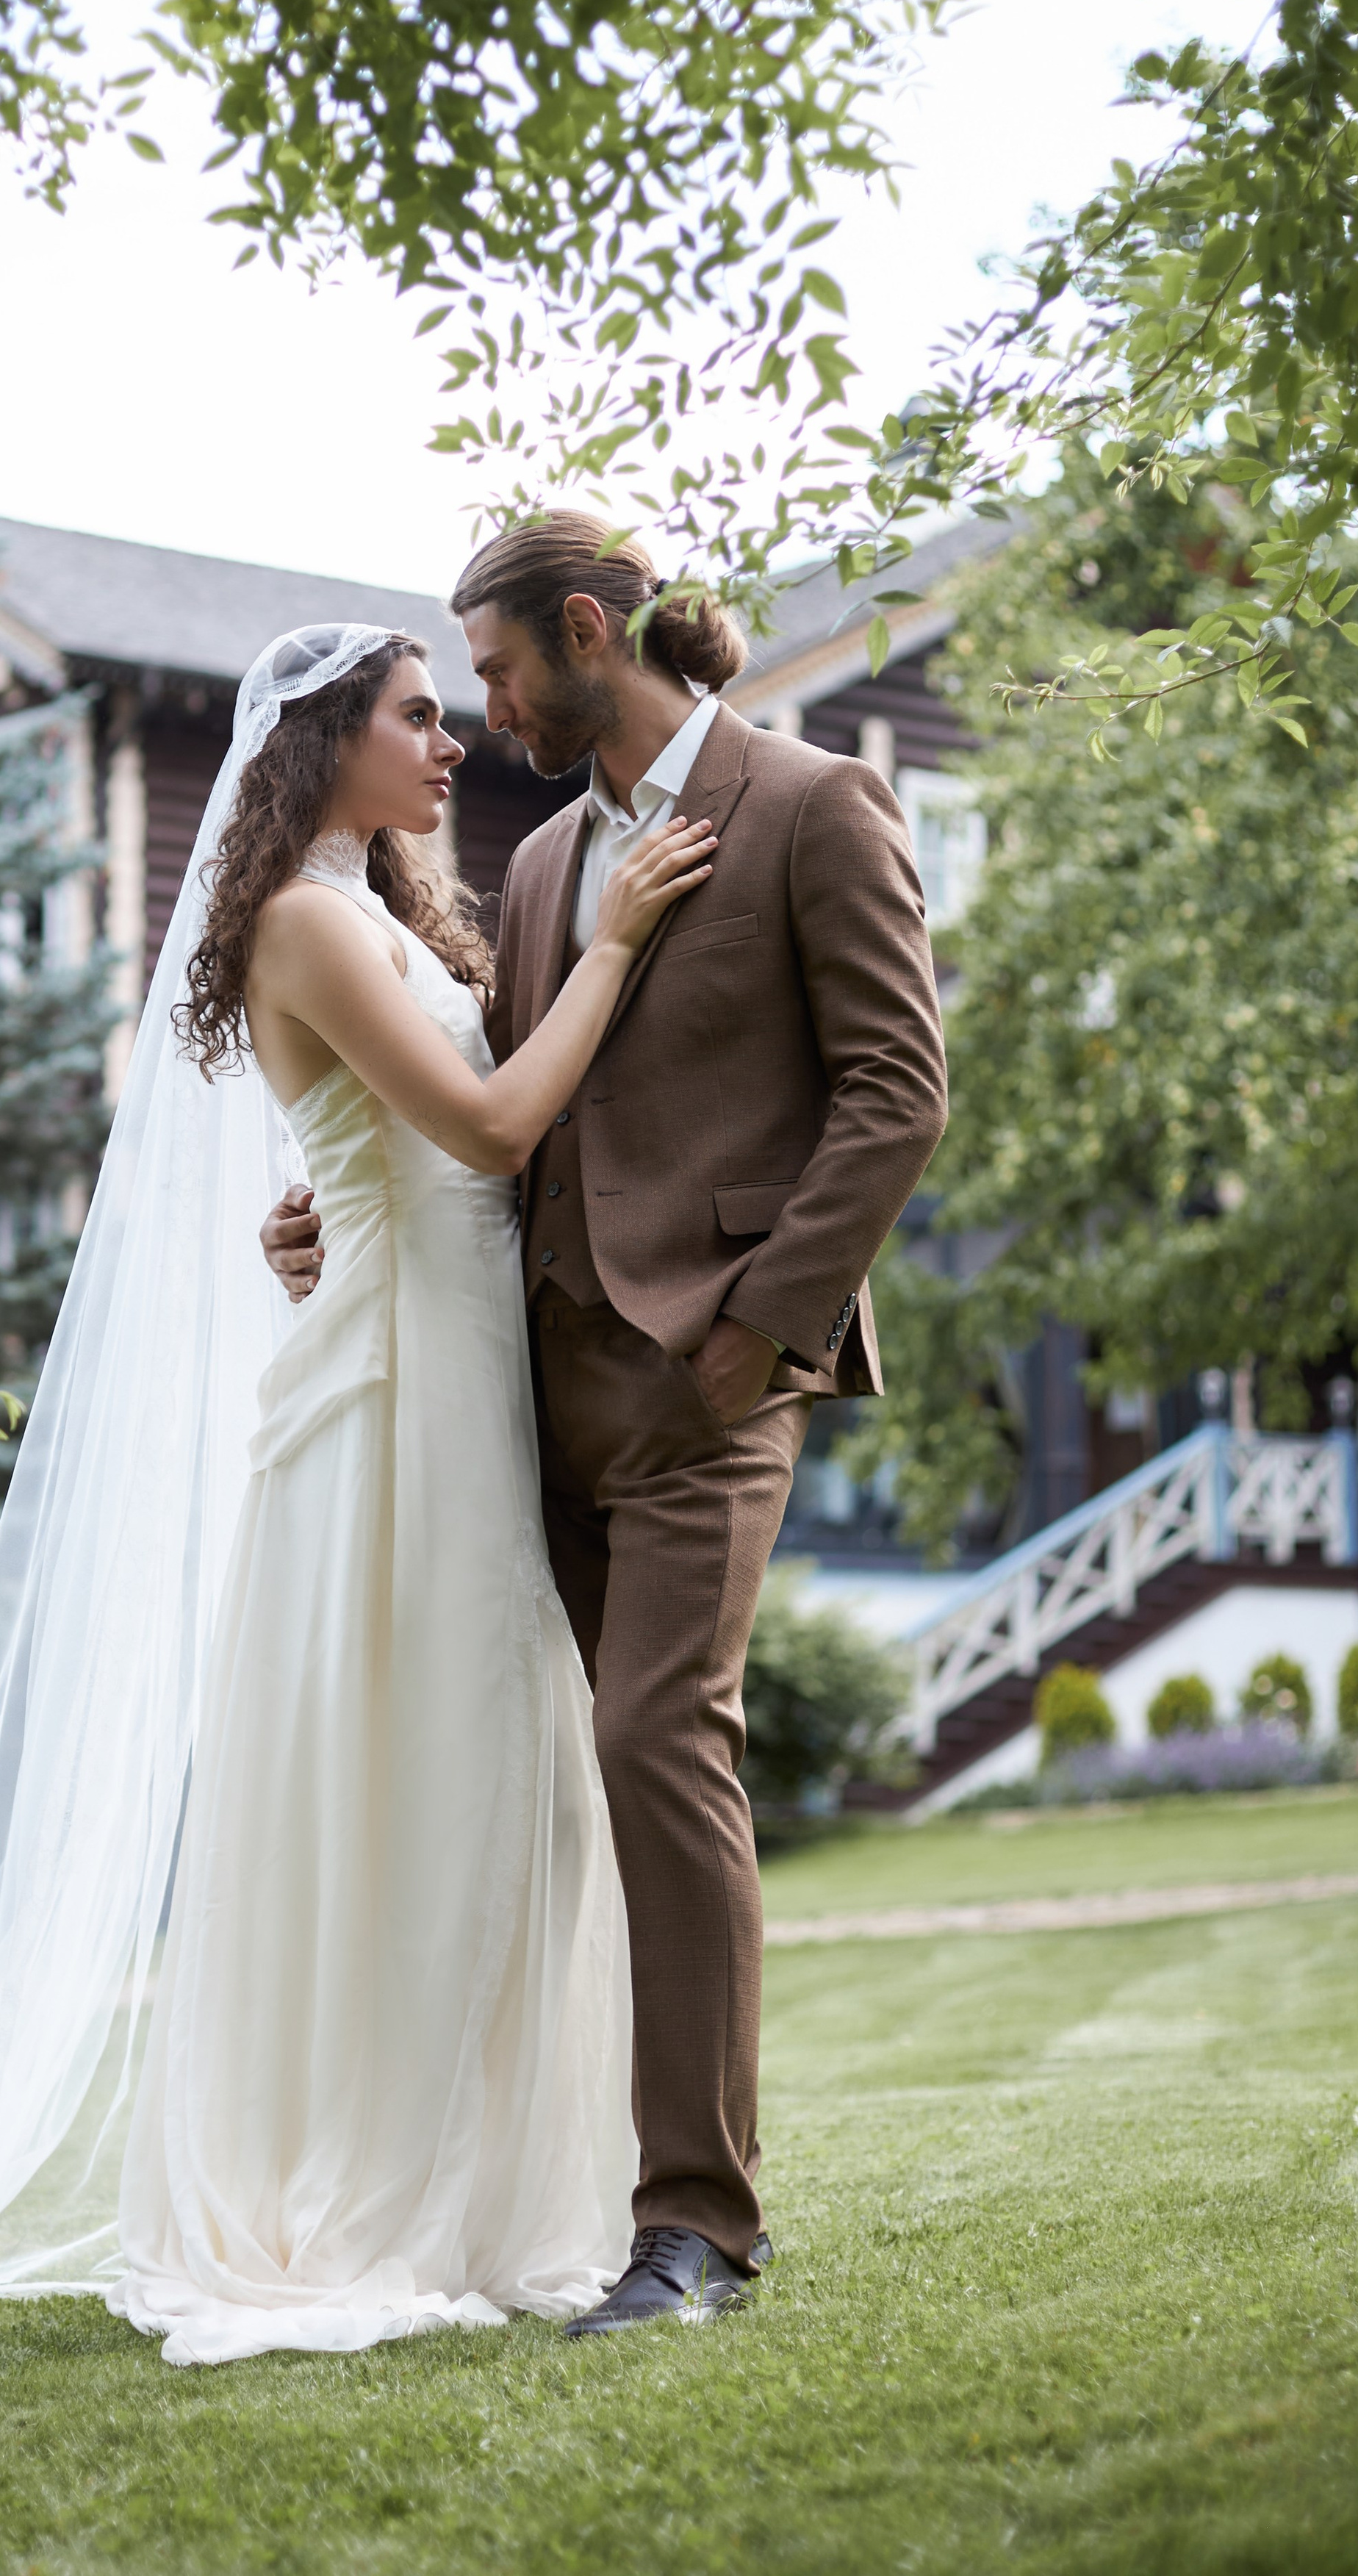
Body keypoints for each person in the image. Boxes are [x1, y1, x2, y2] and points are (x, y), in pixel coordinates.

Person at [0, 621, 705, 2366]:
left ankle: (468, 2181)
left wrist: (331, 1207)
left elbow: (391, 1154)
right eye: (412, 715)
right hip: (397, 1405)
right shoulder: (308, 916)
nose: (449, 740)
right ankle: (370, 2187)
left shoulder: (369, 909)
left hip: (454, 1372)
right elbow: (482, 1129)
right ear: (321, 742)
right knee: (420, 1776)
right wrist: (616, 946)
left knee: (484, 1774)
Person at [264, 518, 948, 2334]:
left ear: (585, 631)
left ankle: (698, 2228)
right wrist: (331, 1211)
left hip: (709, 1384)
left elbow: (896, 1095)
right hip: (524, 1396)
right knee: (551, 1790)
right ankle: (517, 2184)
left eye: (494, 674)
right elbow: (502, 1110)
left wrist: (763, 1332)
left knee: (658, 1741)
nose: (481, 716)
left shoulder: (814, 804)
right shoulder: (553, 851)